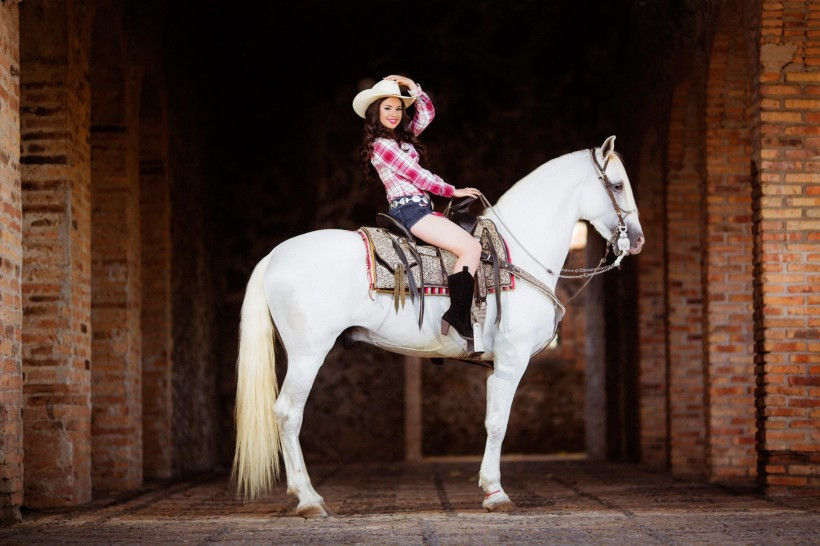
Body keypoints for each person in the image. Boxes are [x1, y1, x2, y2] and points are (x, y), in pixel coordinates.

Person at [353, 75, 482, 340]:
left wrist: (412, 86)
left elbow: (427, 113)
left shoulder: (403, 139)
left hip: (420, 208)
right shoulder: (383, 146)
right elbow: (417, 175)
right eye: (387, 108)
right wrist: (452, 191)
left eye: (399, 108)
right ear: (376, 111)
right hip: (411, 210)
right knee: (471, 247)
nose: (394, 114)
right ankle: (458, 315)